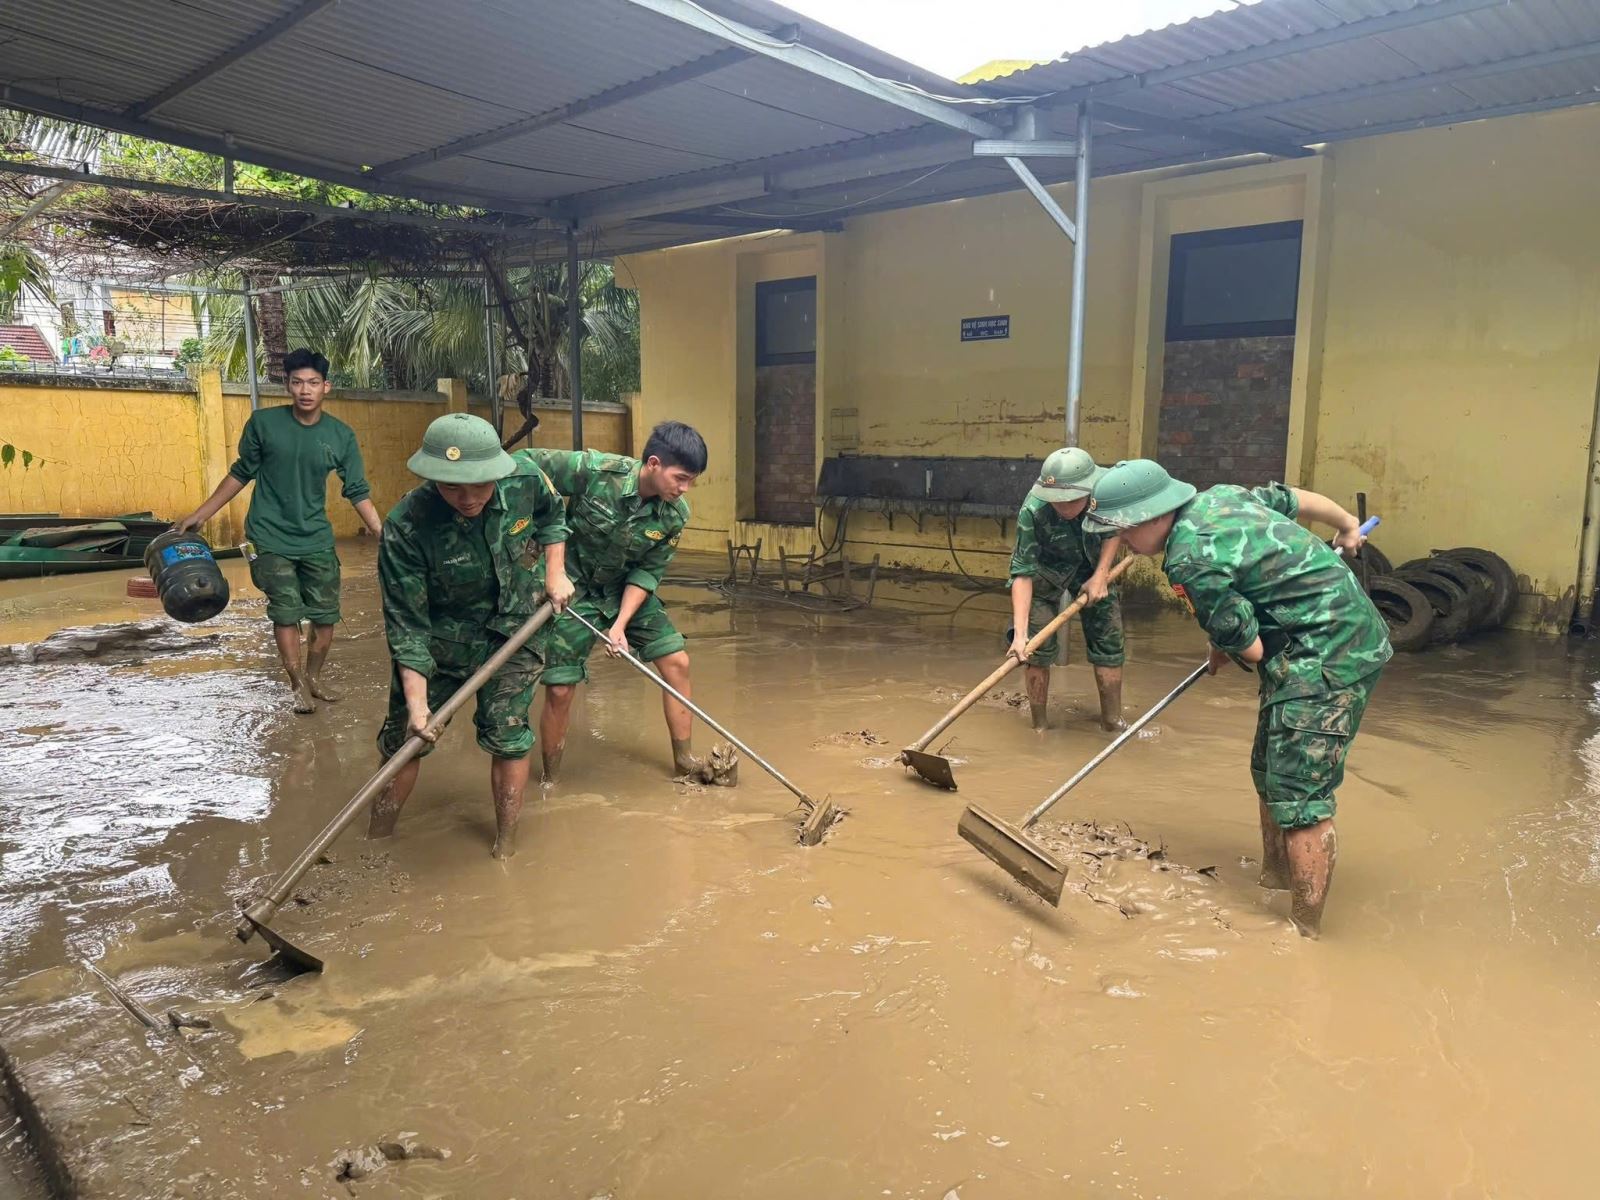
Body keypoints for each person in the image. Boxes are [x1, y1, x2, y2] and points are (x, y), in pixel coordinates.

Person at [1084, 460, 1390, 938]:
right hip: (1315, 636)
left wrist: (1227, 638)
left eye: (1123, 532)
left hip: (1328, 652)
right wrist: (1348, 526)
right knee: (1267, 768)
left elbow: (1252, 647)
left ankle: (1302, 933)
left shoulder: (1188, 559)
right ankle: (1275, 880)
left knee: (1299, 793)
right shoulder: (1222, 495)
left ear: (1151, 516)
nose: (1122, 543)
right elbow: (1297, 499)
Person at [366, 413, 574, 858]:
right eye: (451, 486)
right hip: (442, 641)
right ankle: (376, 841)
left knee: (509, 734)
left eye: (479, 485)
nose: (468, 497)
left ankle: (506, 849)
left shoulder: (525, 478)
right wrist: (420, 707)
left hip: (518, 628)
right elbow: (407, 624)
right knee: (406, 738)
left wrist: (555, 573)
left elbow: (553, 517)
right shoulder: (406, 526)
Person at [526, 421, 734, 786]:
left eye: (691, 482)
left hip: (623, 590)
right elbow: (523, 464)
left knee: (676, 660)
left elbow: (646, 572)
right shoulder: (593, 471)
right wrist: (541, 532)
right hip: (571, 589)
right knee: (559, 687)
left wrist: (619, 625)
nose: (685, 489)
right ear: (653, 463)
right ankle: (550, 779)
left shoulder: (674, 514)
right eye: (680, 478)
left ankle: (684, 760)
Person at [177, 348, 382, 714]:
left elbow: (357, 489)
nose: (305, 390)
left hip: (316, 538)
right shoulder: (264, 424)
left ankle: (315, 676)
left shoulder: (340, 436)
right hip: (268, 537)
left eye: (313, 383)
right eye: (298, 382)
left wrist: (380, 530)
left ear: (326, 387)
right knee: (286, 610)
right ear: (287, 385)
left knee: (325, 615)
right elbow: (241, 472)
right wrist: (202, 514)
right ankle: (297, 682)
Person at [1007, 447, 1126, 732]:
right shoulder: (1033, 510)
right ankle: (1040, 725)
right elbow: (1022, 572)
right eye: (1056, 501)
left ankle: (1112, 720)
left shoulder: (1105, 494)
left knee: (1108, 638)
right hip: (1046, 571)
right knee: (1036, 647)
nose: (1063, 507)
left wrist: (1100, 576)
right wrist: (1020, 636)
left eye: (1071, 500)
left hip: (1095, 565)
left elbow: (1115, 531)